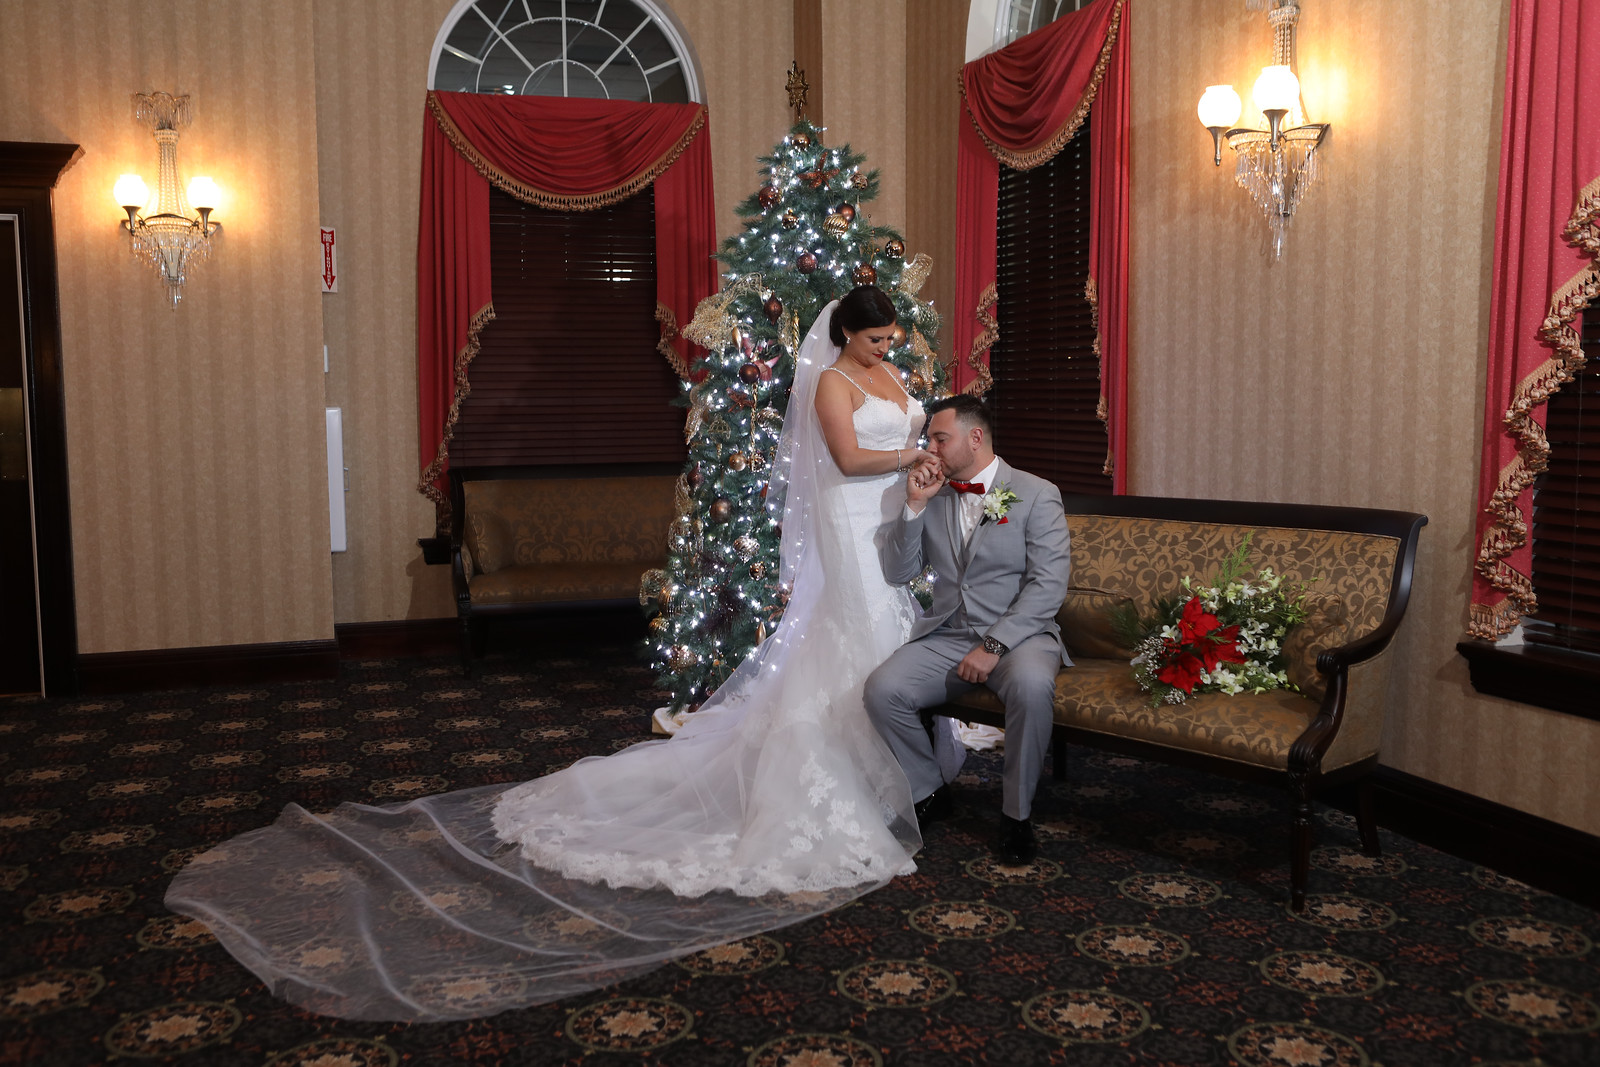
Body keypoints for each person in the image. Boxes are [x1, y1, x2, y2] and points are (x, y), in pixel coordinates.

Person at [165, 287, 939, 1022]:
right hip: (851, 515)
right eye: (876, 339)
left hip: (893, 513)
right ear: (845, 335)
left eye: (892, 342)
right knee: (854, 632)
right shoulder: (833, 382)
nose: (886, 351)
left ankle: (893, 767)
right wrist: (910, 456)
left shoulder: (888, 371)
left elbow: (907, 427)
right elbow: (841, 461)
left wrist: (923, 457)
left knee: (887, 635)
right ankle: (847, 776)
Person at [863, 395, 1072, 867]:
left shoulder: (1037, 493)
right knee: (883, 690)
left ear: (975, 437)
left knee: (1033, 686)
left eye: (940, 438)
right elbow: (899, 574)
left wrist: (995, 645)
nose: (930, 450)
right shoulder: (933, 492)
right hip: (949, 633)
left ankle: (1016, 816)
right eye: (929, 439)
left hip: (1019, 637)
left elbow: (1048, 585)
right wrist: (914, 507)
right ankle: (930, 790)